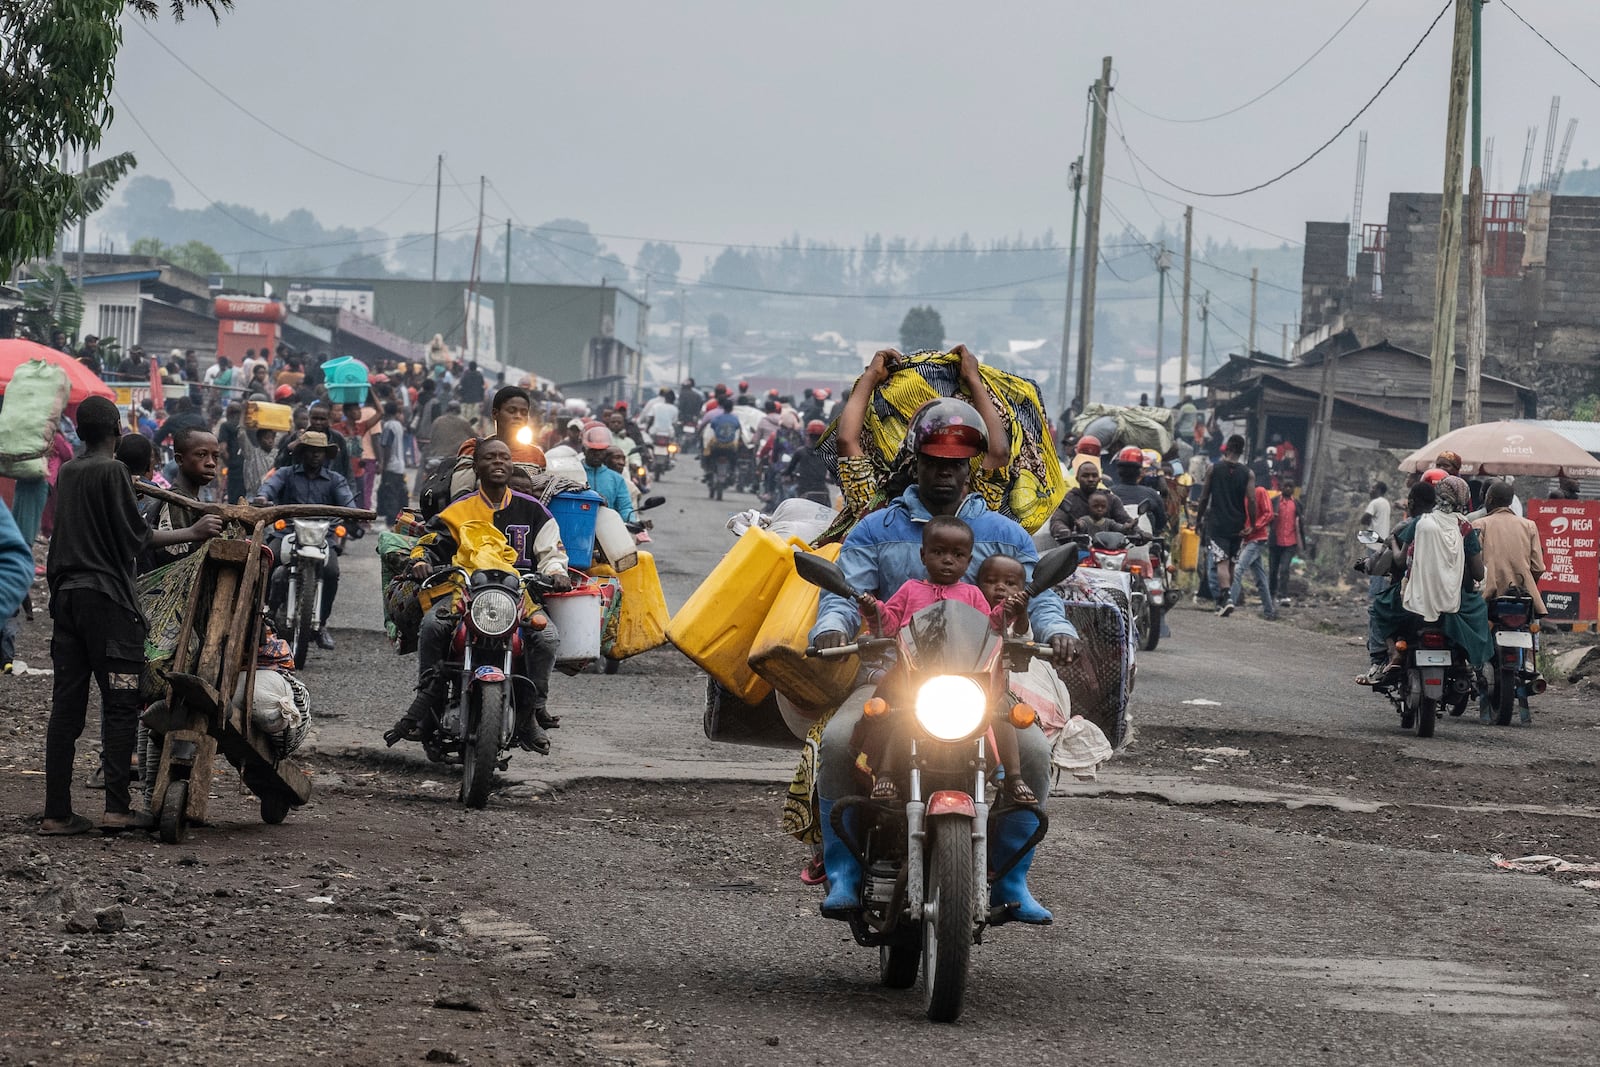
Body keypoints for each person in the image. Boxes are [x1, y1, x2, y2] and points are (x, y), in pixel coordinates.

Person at [809, 398, 1079, 925]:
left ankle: (1010, 878)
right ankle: (845, 871)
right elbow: (845, 594)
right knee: (840, 742)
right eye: (934, 461)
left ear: (971, 466)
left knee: (1035, 753)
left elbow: (1040, 596)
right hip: (893, 680)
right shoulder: (875, 528)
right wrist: (833, 628)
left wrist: (1058, 631)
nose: (944, 472)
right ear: (916, 460)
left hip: (981, 687)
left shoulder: (1005, 533)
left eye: (955, 463)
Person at [40, 397, 222, 835]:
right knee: (121, 705)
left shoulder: (68, 471)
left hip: (66, 598)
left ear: (79, 432)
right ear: (117, 430)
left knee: (66, 710)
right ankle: (116, 808)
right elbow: (135, 538)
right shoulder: (115, 471)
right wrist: (194, 531)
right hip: (107, 601)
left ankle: (56, 813)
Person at [388, 439, 570, 751]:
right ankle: (426, 705)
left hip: (518, 595)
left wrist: (556, 572)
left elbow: (552, 552)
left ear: (511, 464)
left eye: (504, 457)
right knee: (433, 626)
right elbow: (431, 542)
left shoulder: (535, 511)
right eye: (490, 457)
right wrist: (421, 561)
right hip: (464, 592)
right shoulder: (459, 510)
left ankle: (532, 712)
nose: (498, 462)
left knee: (547, 637)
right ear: (476, 467)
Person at [851, 518, 1030, 805]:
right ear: (923, 555)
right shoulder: (909, 589)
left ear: (969, 561)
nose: (948, 560)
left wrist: (1010, 610)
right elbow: (889, 622)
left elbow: (990, 628)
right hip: (914, 678)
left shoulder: (972, 594)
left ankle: (1013, 776)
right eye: (938, 552)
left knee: (1001, 710)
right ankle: (884, 771)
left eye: (957, 555)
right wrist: (874, 608)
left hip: (965, 678)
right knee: (897, 712)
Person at [1362, 477, 1490, 686]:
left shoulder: (1420, 522)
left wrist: (1394, 542)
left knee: (1379, 606)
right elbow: (1478, 574)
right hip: (1453, 601)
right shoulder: (1465, 527)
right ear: (1465, 499)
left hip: (1415, 599)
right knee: (1479, 609)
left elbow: (1401, 560)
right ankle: (1464, 661)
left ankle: (1392, 654)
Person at [255, 431, 357, 650]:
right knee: (267, 560)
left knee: (331, 572)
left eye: (319, 452)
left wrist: (353, 513)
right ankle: (262, 614)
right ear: (301, 453)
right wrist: (263, 498)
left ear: (325, 455)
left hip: (323, 537)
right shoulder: (285, 473)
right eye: (311, 451)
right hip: (288, 533)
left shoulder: (335, 480)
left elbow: (348, 502)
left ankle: (321, 625)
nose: (315, 456)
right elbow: (269, 487)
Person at [1472, 480, 1546, 724]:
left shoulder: (1479, 524)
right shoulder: (1529, 525)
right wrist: (1526, 582)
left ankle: (1475, 666)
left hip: (1489, 597)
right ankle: (1526, 666)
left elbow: (1474, 567)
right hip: (1523, 598)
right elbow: (1538, 567)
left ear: (1489, 500)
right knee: (1530, 633)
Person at [139, 426, 219, 573]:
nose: (211, 463)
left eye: (215, 456)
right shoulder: (177, 502)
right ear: (179, 459)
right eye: (201, 455)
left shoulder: (191, 499)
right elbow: (174, 558)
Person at [1194, 434, 1254, 608]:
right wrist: (1253, 524)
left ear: (1227, 448)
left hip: (1218, 523)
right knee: (1232, 563)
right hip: (1238, 524)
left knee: (1222, 562)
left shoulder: (1214, 468)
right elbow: (1251, 499)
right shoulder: (1248, 473)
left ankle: (1225, 596)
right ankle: (1228, 596)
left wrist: (1199, 519)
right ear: (1242, 451)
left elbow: (1204, 497)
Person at [1224, 479, 1276, 620]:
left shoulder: (1260, 491)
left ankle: (1229, 603)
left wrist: (1254, 526)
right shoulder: (1242, 496)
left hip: (1257, 538)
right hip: (1248, 539)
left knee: (1238, 569)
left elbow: (1268, 513)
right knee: (1260, 578)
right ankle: (1269, 611)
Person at [1048, 461, 1130, 542]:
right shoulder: (1069, 498)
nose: (1090, 479)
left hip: (1110, 549)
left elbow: (1125, 520)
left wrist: (1136, 530)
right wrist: (1062, 530)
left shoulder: (1112, 499)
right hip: (1077, 548)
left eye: (1094, 476)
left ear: (1099, 479)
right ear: (1077, 479)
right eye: (1085, 476)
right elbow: (1057, 520)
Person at [0, 500, 35, 675]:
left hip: (9, 608)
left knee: (7, 633)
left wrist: (29, 612)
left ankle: (7, 662)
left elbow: (16, 565)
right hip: (11, 607)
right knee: (7, 635)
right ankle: (5, 661)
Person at [276, 402, 353, 481]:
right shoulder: (298, 436)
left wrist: (350, 490)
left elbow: (347, 467)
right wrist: (290, 449)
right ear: (309, 417)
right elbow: (279, 464)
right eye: (315, 418)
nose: (318, 422)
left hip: (330, 486)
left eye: (322, 419)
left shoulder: (337, 438)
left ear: (329, 419)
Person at [1105, 446, 1169, 537]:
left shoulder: (1107, 493)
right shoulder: (1152, 494)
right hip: (1144, 545)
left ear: (1118, 471)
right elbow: (1161, 523)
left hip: (1111, 545)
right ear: (1140, 471)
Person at [579, 425, 636, 521]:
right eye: (593, 450)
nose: (597, 454)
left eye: (601, 451)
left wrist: (632, 521)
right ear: (584, 450)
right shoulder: (575, 472)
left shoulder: (616, 478)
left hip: (607, 528)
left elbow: (625, 507)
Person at [1269, 478, 1306, 606]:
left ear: (1294, 489)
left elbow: (1300, 522)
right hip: (1275, 541)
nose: (1288, 489)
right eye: (1286, 486)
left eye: (1291, 487)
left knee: (1284, 569)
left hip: (1290, 542)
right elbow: (1267, 518)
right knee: (1273, 570)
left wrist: (1301, 541)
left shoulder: (1297, 504)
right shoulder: (1274, 502)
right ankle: (1270, 594)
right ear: (1281, 487)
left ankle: (1283, 595)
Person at [700, 395, 745, 485]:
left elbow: (712, 427)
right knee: (735, 458)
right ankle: (732, 471)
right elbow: (738, 428)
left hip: (717, 445)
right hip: (730, 446)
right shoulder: (735, 418)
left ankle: (708, 469)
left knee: (707, 453)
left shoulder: (716, 418)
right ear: (732, 408)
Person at [377, 400, 408, 524]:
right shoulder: (399, 425)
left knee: (391, 493)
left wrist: (384, 464)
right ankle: (398, 518)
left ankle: (391, 519)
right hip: (400, 465)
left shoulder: (388, 426)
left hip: (391, 465)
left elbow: (387, 446)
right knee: (398, 492)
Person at [457, 360, 486, 426]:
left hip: (466, 401)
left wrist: (461, 396)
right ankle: (473, 433)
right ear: (476, 368)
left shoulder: (465, 376)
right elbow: (482, 388)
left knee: (465, 419)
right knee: (475, 420)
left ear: (469, 367)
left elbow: (461, 387)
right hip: (476, 401)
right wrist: (481, 399)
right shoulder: (480, 376)